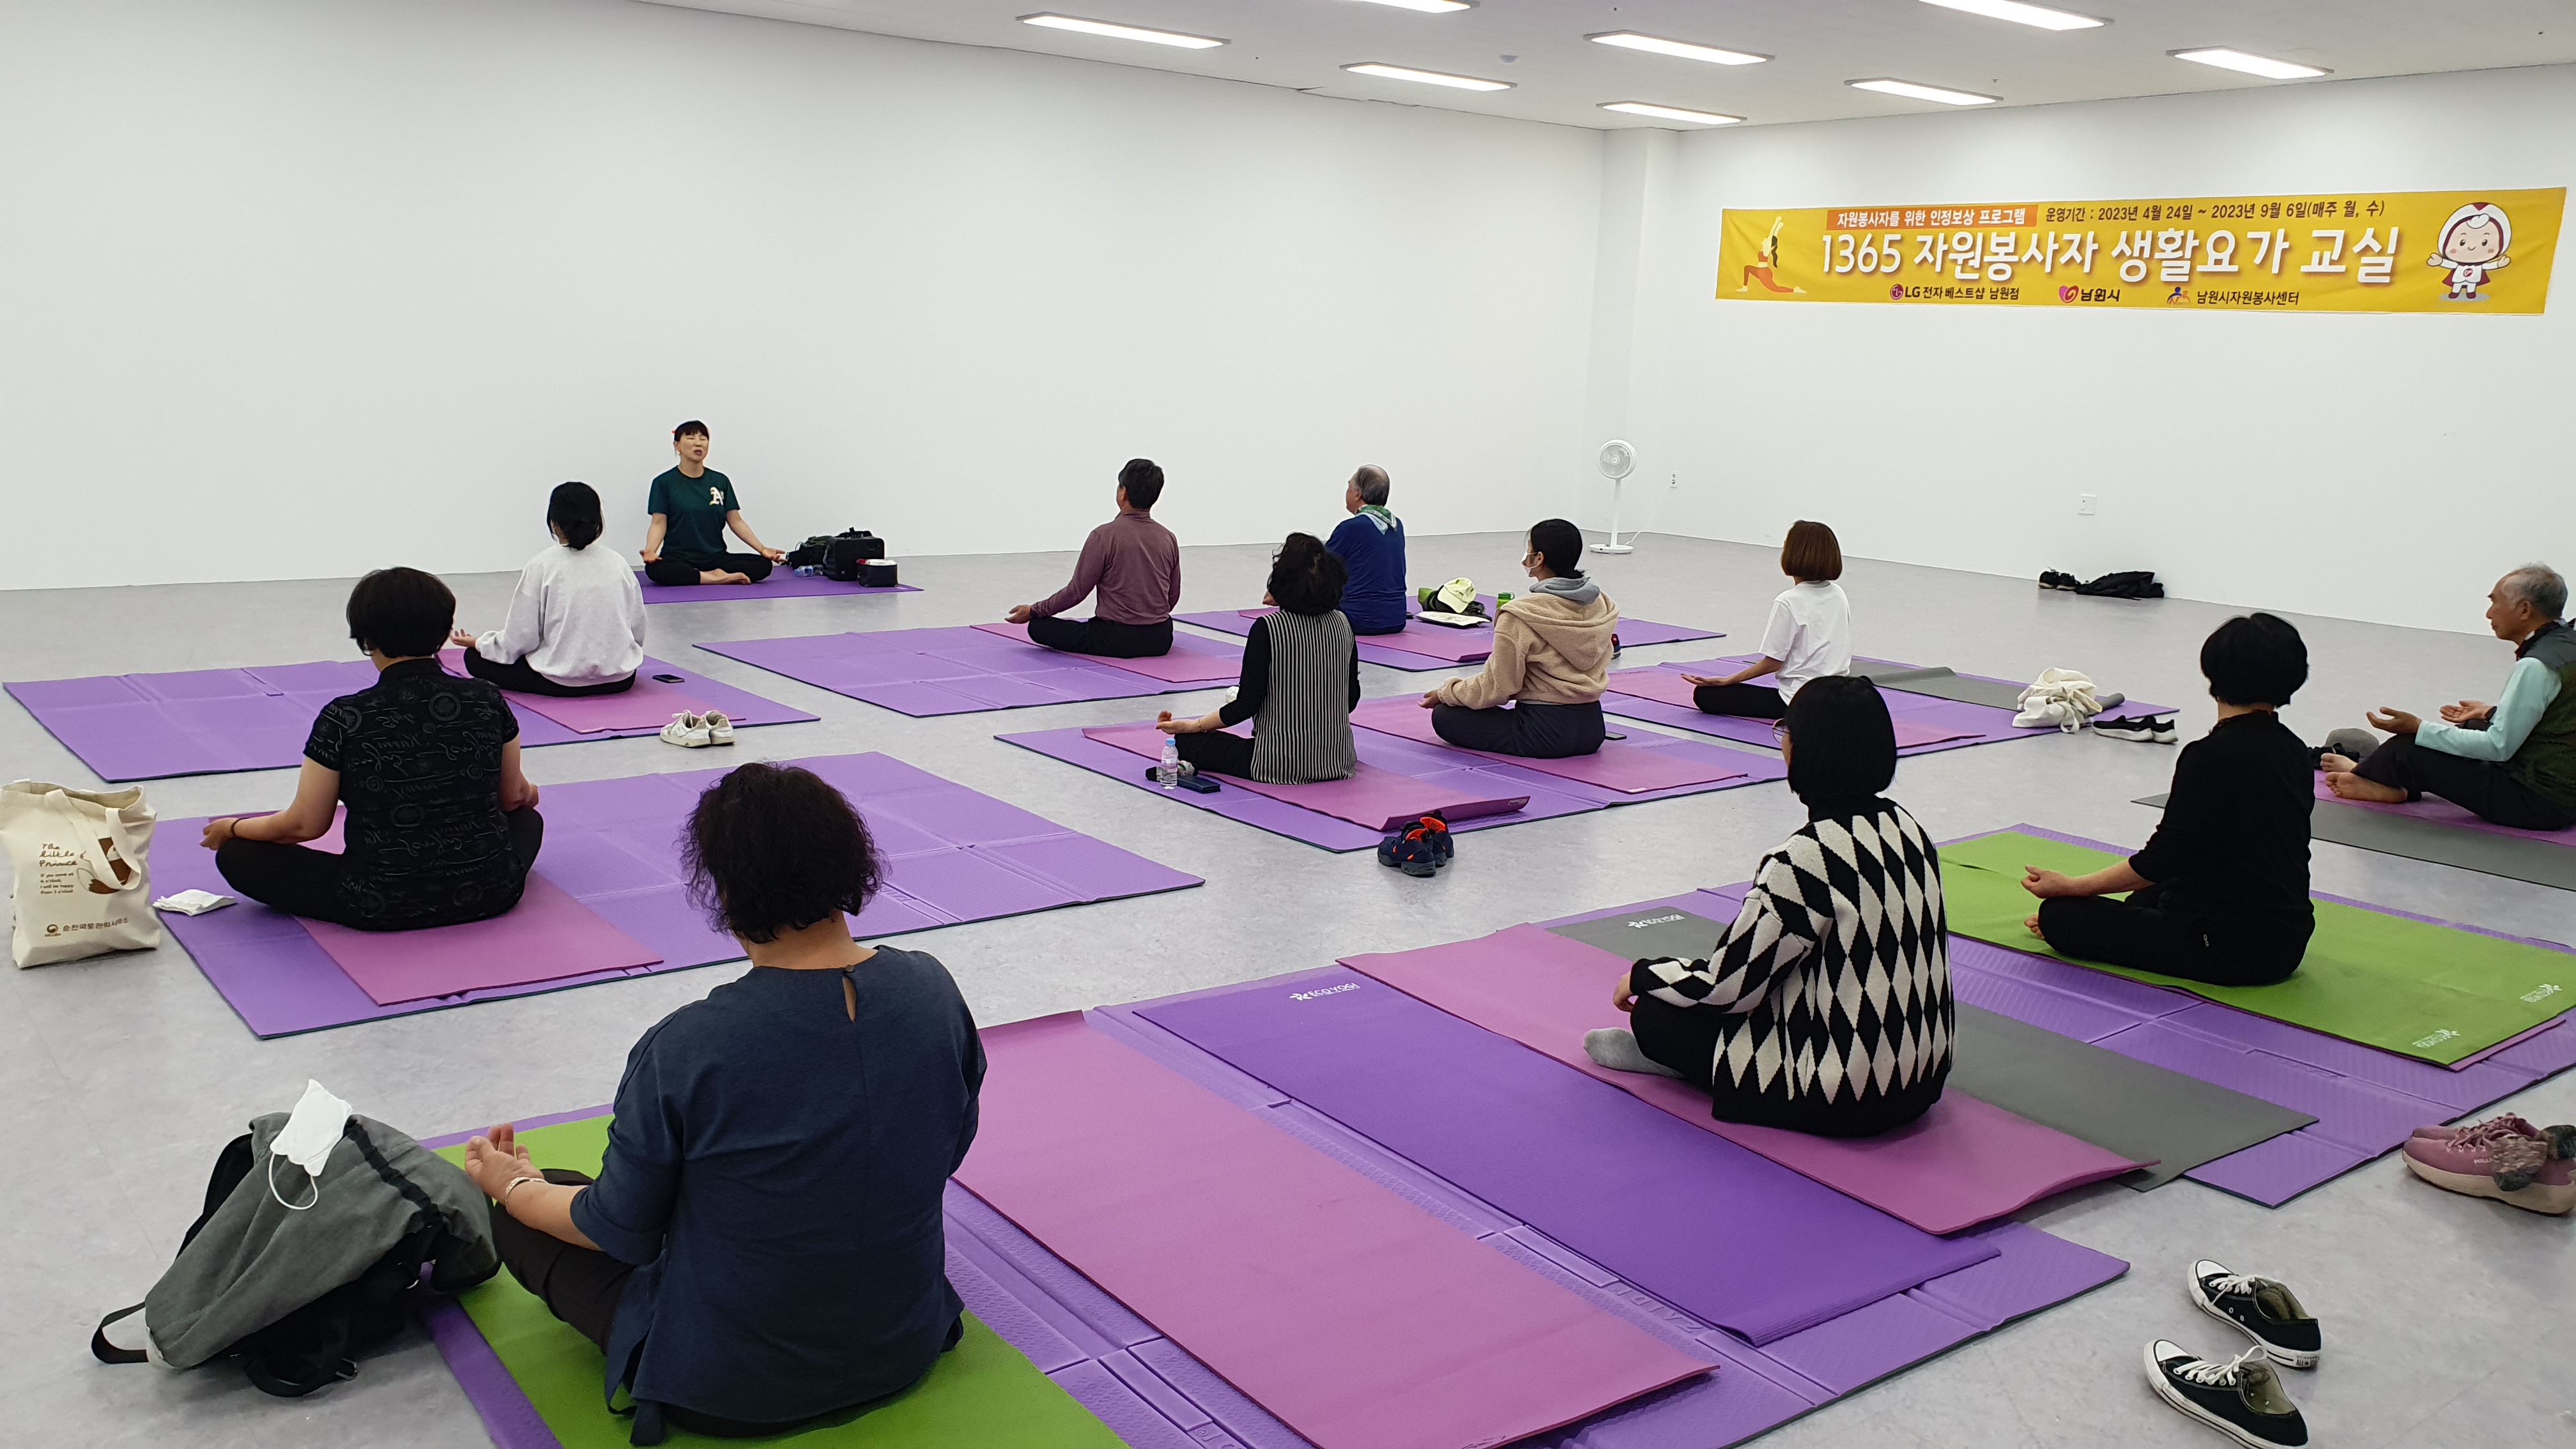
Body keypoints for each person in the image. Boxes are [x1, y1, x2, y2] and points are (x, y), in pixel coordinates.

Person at [458, 762, 984, 1443]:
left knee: (535, 1207)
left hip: (728, 1389)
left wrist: (515, 1186)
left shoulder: (690, 1045)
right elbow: (946, 1146)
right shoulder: (933, 991)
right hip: (905, 1342)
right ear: (850, 864)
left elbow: (617, 1228)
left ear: (725, 890)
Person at [1589, 677, 1952, 1137]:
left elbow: (1729, 986)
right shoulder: (1908, 828)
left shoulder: (1807, 858)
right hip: (1922, 1076)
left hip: (1846, 1094)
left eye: (1786, 731)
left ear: (1803, 750)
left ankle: (1682, 1065)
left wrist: (1646, 975)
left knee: (1656, 1015)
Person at [203, 568, 542, 931]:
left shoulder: (344, 717)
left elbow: (304, 824)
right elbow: (514, 797)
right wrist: (530, 792)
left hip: (378, 901)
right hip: (492, 890)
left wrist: (235, 828)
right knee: (527, 820)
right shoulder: (487, 698)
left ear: (367, 639)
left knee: (238, 856)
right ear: (444, 632)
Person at [2022, 613, 2314, 986]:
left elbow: (2161, 859)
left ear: (2213, 675)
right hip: (2288, 940)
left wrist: (2071, 886)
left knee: (2059, 915)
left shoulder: (2209, 756)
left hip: (2226, 949)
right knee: (2147, 896)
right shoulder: (2294, 750)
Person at [2321, 564, 2575, 831]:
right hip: (2564, 794)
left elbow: (2498, 748)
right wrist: (2490, 713)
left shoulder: (2535, 666)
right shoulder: (2568, 644)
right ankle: (2389, 780)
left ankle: (2371, 777)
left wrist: (2419, 727)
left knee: (2408, 748)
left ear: (2524, 610)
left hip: (2538, 804)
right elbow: (2560, 715)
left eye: (2495, 603)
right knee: (2474, 726)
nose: (2489, 613)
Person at [1155, 534, 1359, 783]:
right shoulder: (1342, 624)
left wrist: (1194, 726)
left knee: (1188, 743)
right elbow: (1350, 699)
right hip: (1338, 759)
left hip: (1278, 764)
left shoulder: (1269, 628)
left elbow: (1246, 705)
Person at [1420, 519, 1618, 758]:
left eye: (1529, 549)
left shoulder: (1521, 614)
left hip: (1543, 733)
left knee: (1445, 716)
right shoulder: (1602, 605)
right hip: (1593, 730)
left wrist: (1448, 693)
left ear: (1539, 558)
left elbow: (1498, 687)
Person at [451, 482, 648, 697]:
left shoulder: (542, 565)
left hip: (560, 682)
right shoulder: (618, 563)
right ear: (597, 521)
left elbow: (520, 639)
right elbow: (637, 629)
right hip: (620, 680)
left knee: (473, 658)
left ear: (555, 523)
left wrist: (481, 643)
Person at [1007, 458, 1181, 658]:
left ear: (1123, 493)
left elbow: (1077, 592)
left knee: (1038, 627)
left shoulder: (1103, 536)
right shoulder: (1168, 538)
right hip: (1160, 639)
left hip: (1115, 639)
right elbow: (1172, 597)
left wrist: (1035, 611)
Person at [1687, 520, 1850, 719]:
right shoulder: (1838, 594)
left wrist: (1727, 680)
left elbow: (1773, 663)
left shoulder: (1789, 601)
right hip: (1839, 697)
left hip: (1800, 701)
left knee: (1705, 695)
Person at [641, 421, 785, 586]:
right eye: (691, 438)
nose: (698, 443)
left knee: (763, 565)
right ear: (677, 446)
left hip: (716, 558)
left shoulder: (720, 481)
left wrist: (762, 549)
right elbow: (658, 523)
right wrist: (650, 550)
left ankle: (701, 576)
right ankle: (714, 578)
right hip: (678, 558)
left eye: (703, 439)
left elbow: (736, 521)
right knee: (655, 570)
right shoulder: (663, 483)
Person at [1325, 465, 1407, 635]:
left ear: (1357, 493)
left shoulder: (1351, 527)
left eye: (1349, 486)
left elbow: (1318, 568)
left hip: (1359, 620)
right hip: (1396, 618)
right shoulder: (1397, 526)